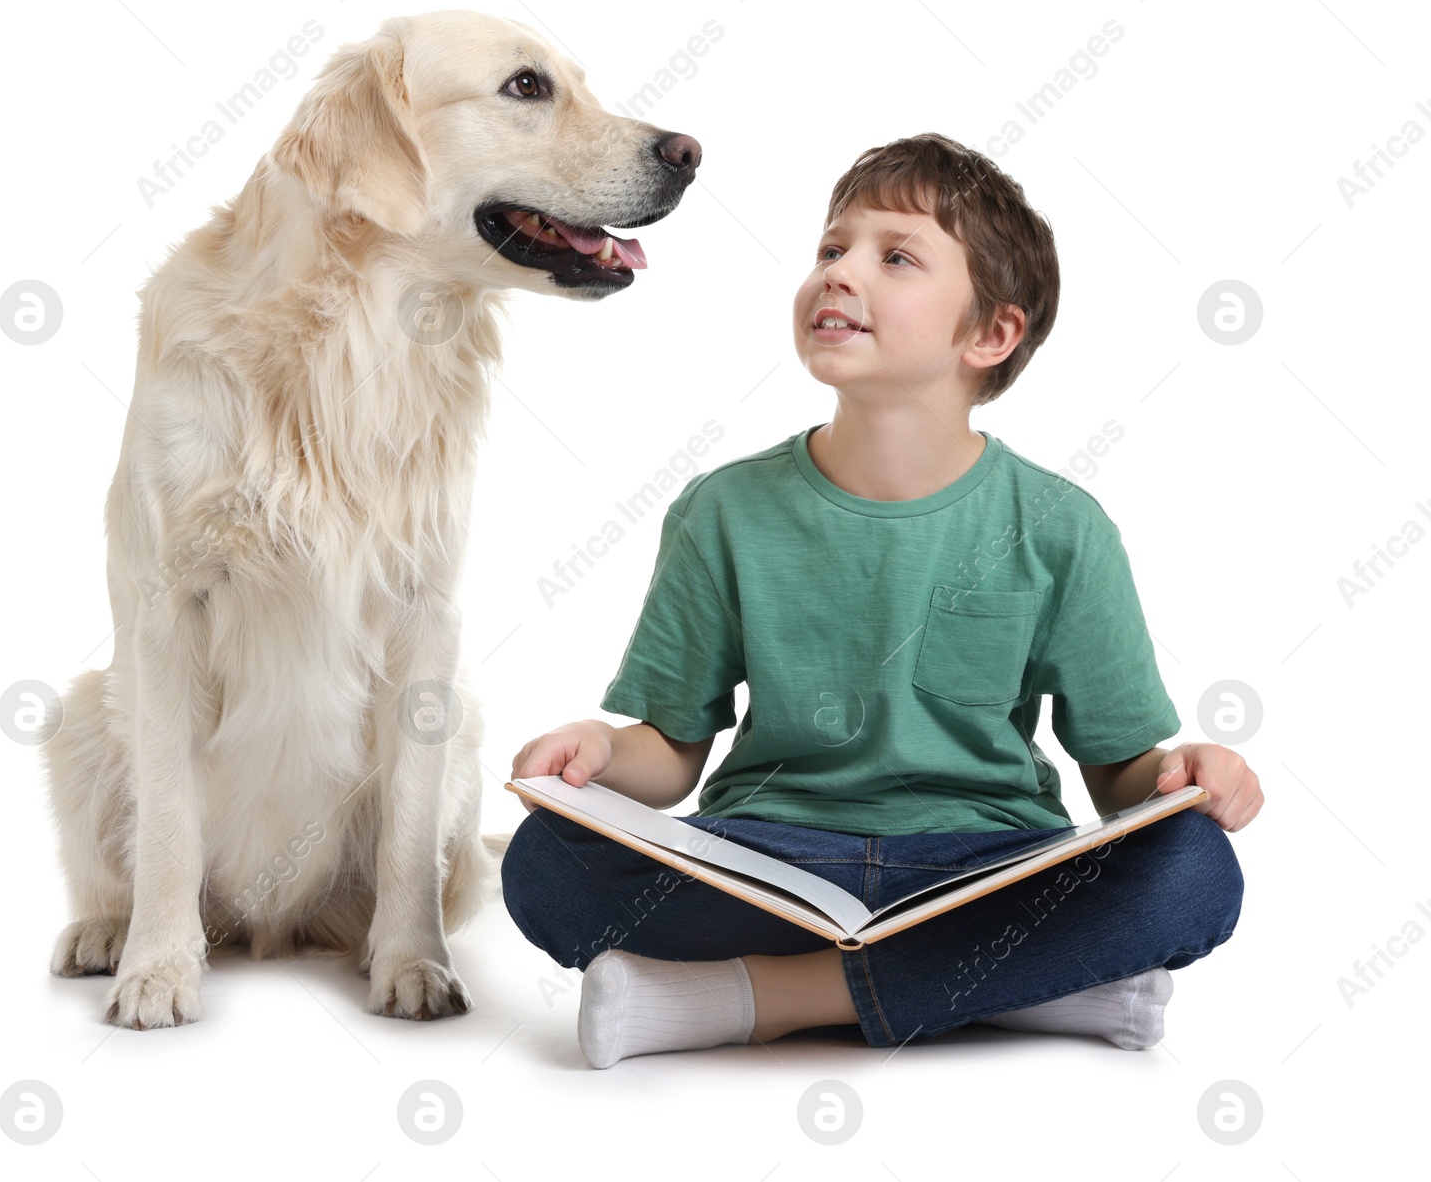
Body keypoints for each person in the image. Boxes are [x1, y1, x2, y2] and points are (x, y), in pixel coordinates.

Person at [501, 133, 1261, 1069]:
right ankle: (1025, 989)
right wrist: (602, 752)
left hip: (986, 866)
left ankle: (762, 996)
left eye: (894, 256)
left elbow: (1117, 778)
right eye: (831, 249)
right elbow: (673, 756)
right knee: (544, 863)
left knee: (1195, 874)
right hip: (769, 861)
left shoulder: (1063, 527)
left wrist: (1184, 778)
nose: (839, 273)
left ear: (990, 334)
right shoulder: (722, 510)